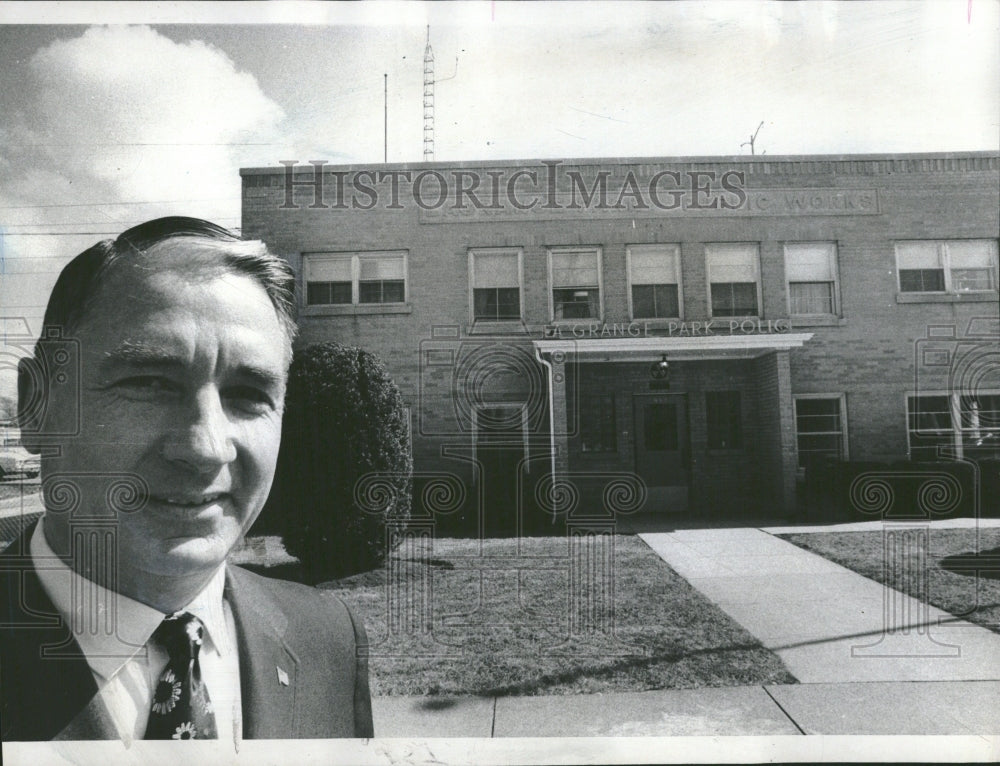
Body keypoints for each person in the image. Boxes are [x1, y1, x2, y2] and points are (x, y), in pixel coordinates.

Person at [0, 217, 374, 742]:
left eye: (247, 395)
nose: (206, 448)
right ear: (37, 406)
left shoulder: (328, 638)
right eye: (150, 382)